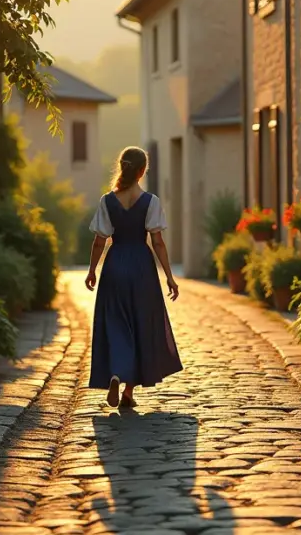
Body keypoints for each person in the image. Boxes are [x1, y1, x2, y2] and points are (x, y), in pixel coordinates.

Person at [84, 146, 183, 408]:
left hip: (115, 264)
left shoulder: (107, 201)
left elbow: (99, 241)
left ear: (122, 168)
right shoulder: (151, 202)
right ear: (142, 171)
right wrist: (169, 276)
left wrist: (92, 270)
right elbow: (158, 242)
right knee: (141, 323)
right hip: (141, 267)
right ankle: (128, 390)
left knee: (116, 323)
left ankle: (118, 374)